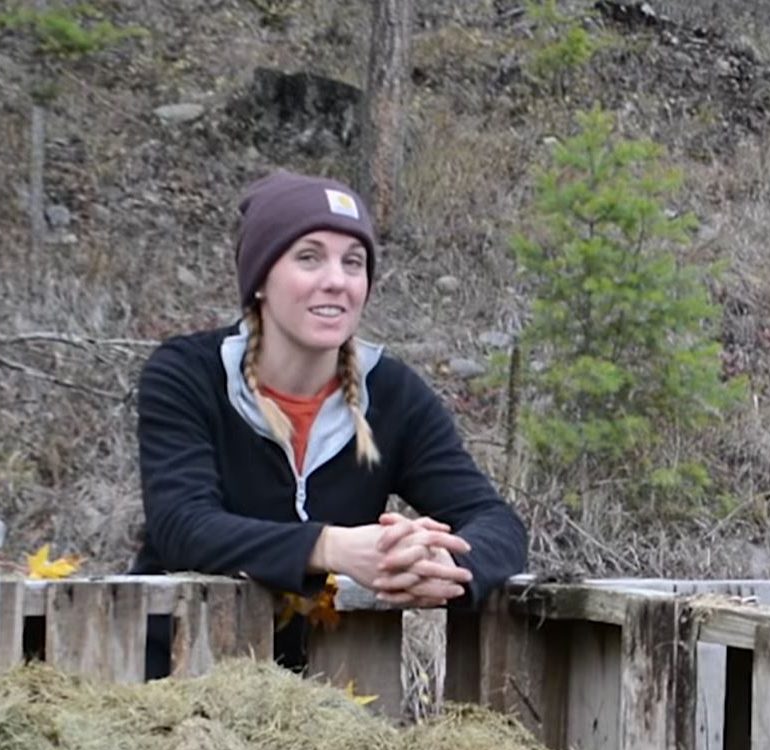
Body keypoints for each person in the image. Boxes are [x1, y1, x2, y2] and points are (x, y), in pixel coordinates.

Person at [133, 169, 527, 673]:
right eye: (309, 257)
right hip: (176, 680)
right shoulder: (188, 375)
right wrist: (334, 547)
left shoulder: (391, 393)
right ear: (260, 281)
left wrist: (445, 566)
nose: (336, 280)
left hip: (326, 704)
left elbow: (498, 523)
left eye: (353, 262)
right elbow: (183, 527)